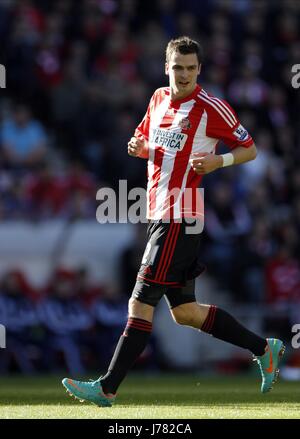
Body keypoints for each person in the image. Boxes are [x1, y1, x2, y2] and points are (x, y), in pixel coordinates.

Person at [62, 36, 285, 407]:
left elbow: (250, 148)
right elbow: (147, 139)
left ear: (200, 69)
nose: (183, 75)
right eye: (177, 67)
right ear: (167, 66)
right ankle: (265, 348)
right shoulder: (157, 98)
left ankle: (106, 388)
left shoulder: (212, 107)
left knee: (139, 302)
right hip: (157, 212)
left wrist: (220, 161)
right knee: (184, 313)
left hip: (180, 215)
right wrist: (139, 147)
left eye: (191, 68)